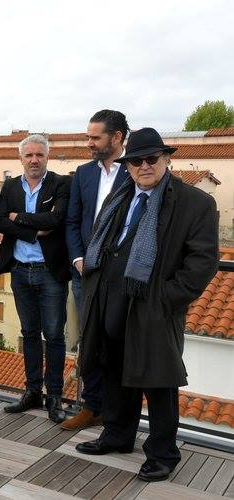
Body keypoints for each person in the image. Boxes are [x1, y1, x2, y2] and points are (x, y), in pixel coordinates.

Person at [74, 128, 218, 482]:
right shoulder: (119, 197)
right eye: (136, 160)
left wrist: (166, 298)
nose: (144, 166)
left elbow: (202, 263)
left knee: (158, 381)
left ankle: (164, 453)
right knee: (112, 368)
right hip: (109, 297)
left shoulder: (194, 202)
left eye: (151, 158)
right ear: (127, 165)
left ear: (167, 159)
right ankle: (118, 435)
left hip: (152, 306)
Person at [0, 134, 71, 423]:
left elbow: (56, 221)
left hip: (50, 272)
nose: (34, 160)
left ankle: (54, 397)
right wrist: (32, 228)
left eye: (39, 155)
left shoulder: (61, 184)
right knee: (29, 334)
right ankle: (31, 392)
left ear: (47, 157)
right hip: (20, 270)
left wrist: (19, 218)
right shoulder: (12, 186)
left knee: (53, 336)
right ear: (21, 159)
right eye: (29, 156)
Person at [64, 109, 130, 431]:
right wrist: (78, 259)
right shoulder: (83, 173)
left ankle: (115, 413)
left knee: (115, 342)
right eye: (88, 136)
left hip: (119, 277)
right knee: (88, 342)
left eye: (95, 137)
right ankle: (91, 407)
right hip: (85, 274)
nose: (89, 143)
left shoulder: (135, 172)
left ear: (116, 138)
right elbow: (73, 221)